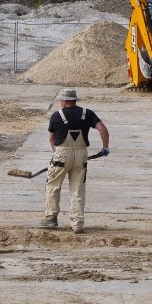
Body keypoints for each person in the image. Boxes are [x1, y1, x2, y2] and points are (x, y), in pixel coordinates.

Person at [40, 88, 110, 234]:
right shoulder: (87, 113)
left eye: (61, 100)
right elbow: (102, 128)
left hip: (61, 155)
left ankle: (51, 218)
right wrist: (105, 148)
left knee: (53, 185)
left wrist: (58, 153)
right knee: (77, 189)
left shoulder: (56, 116)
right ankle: (77, 224)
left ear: (65, 101)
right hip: (81, 156)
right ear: (74, 100)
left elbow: (51, 139)